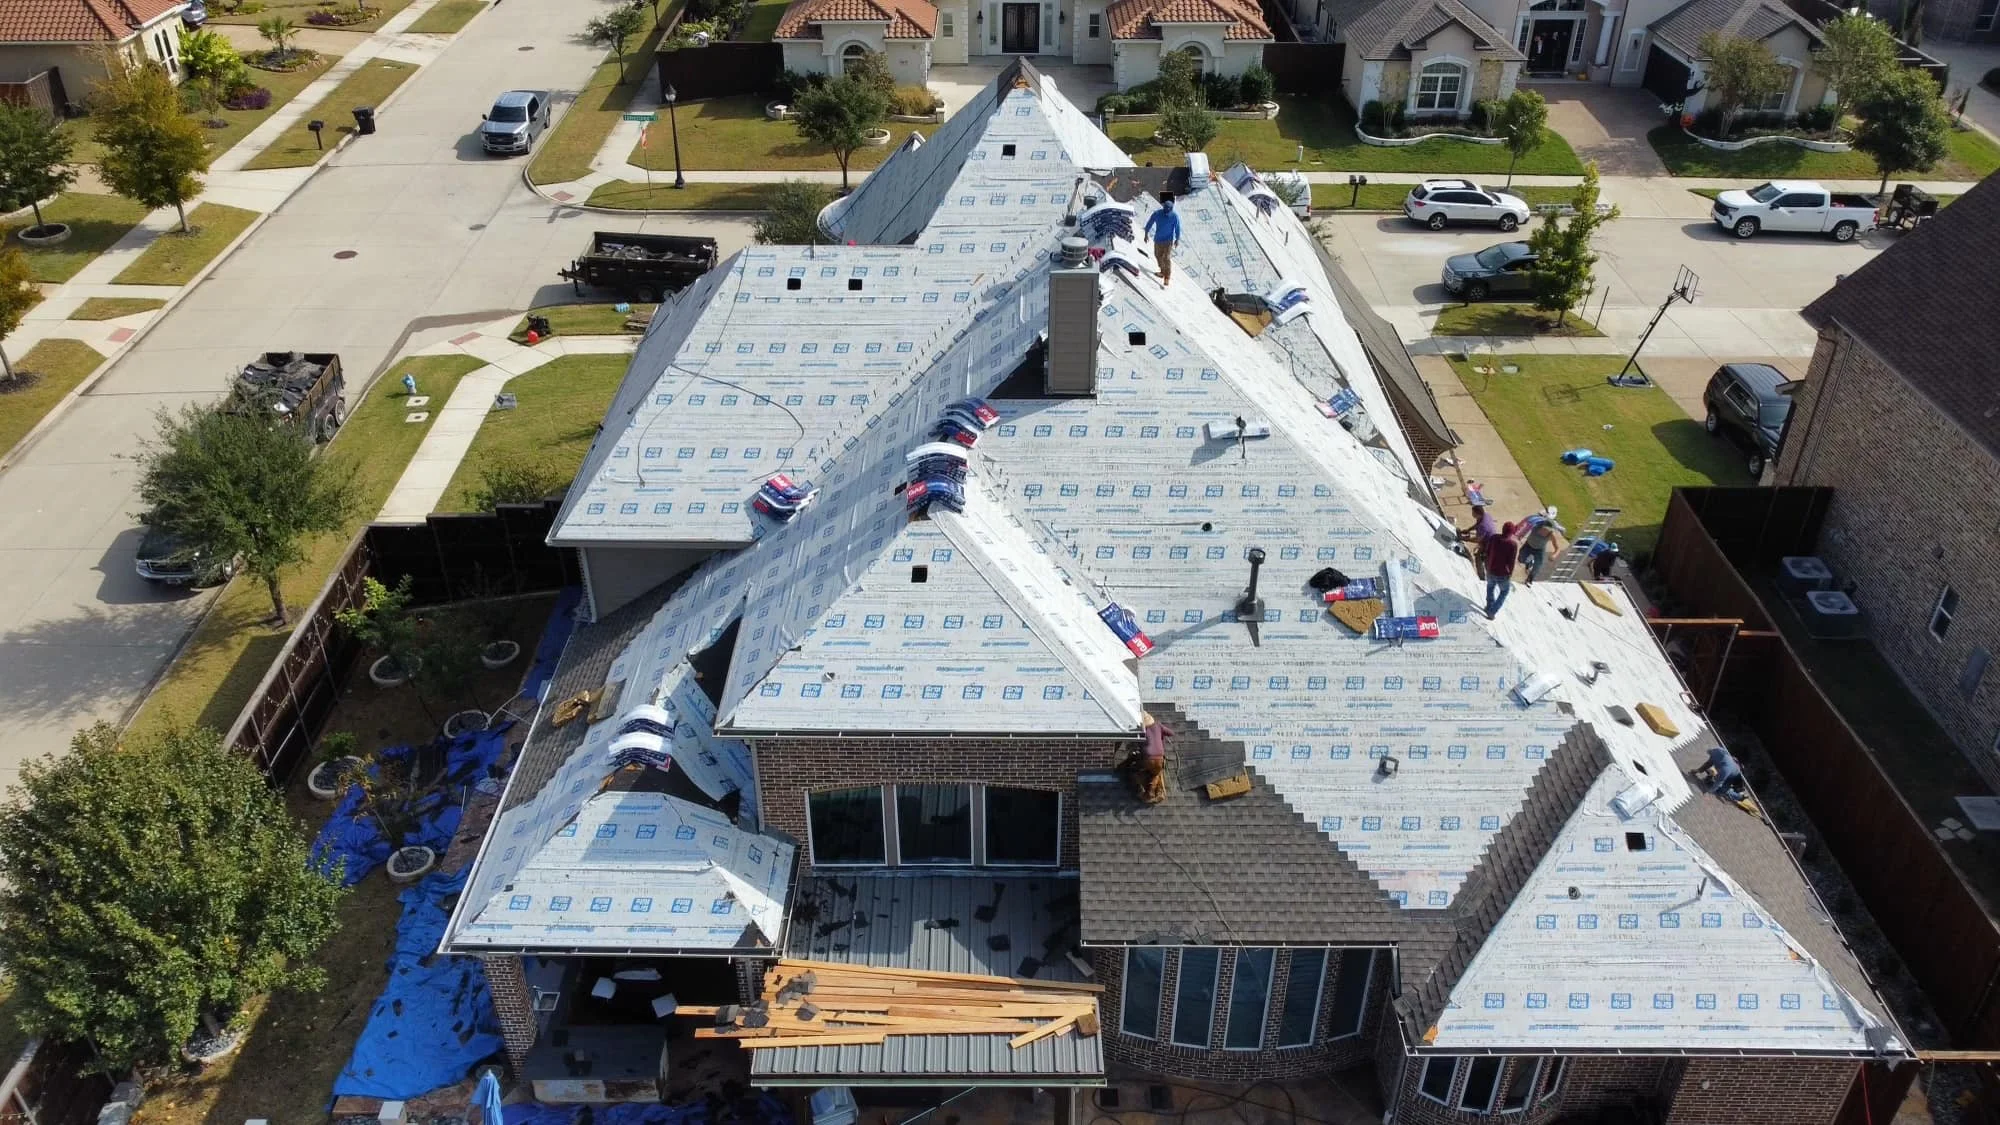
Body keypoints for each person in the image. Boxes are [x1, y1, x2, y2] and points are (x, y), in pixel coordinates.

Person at [1144, 196, 1182, 285]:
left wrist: (1177, 239)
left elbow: (1177, 228)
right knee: (1157, 255)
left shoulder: (1174, 217)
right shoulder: (1157, 214)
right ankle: (1162, 271)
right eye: (1165, 209)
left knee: (1166, 258)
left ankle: (1167, 277)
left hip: (1168, 241)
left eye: (1168, 210)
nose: (1166, 212)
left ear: (1171, 209)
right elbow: (1150, 222)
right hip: (1158, 240)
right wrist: (1146, 233)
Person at [1517, 512, 1562, 586]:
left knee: (1538, 565)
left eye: (1547, 531)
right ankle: (1529, 562)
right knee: (1521, 559)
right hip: (1528, 545)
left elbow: (1557, 548)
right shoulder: (1535, 526)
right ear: (1541, 526)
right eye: (1544, 529)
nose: (1545, 532)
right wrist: (1521, 535)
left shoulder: (1551, 534)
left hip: (1539, 550)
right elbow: (1526, 527)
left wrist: (1554, 555)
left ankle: (1530, 579)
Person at [1484, 522, 1519, 618]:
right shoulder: (1512, 545)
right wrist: (1510, 574)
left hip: (1490, 570)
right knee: (1504, 592)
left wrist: (1487, 565)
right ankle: (1492, 611)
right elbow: (1511, 562)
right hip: (1502, 574)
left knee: (1490, 587)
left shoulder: (1494, 537)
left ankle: (1489, 607)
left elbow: (1487, 551)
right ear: (1512, 533)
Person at [1458, 504, 1496, 577]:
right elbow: (1477, 525)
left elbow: (1477, 539)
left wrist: (1465, 539)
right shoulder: (1485, 515)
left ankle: (1482, 577)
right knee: (1481, 557)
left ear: (1478, 514)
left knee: (1481, 559)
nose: (1472, 514)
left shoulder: (1483, 526)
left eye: (1473, 513)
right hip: (1489, 540)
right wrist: (1468, 530)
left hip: (1489, 546)